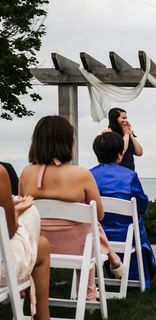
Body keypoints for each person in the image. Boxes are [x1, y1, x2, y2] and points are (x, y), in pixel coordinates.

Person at [19, 115, 125, 301]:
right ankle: (89, 294)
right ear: (67, 142)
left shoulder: (26, 173)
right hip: (77, 249)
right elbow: (99, 215)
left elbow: (22, 211)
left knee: (86, 229)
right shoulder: (81, 174)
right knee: (90, 227)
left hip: (36, 247)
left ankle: (30, 292)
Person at [0, 165, 67, 320]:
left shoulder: (27, 172)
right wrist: (16, 211)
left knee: (41, 244)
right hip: (3, 270)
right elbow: (9, 231)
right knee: (35, 223)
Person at [90, 132, 156, 288]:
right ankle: (138, 276)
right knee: (136, 225)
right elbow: (142, 205)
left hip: (96, 235)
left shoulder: (89, 175)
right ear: (120, 154)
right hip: (124, 235)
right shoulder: (130, 175)